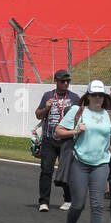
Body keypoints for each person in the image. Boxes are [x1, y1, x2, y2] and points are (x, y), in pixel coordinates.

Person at [55, 80, 111, 223]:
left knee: (97, 205)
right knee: (78, 204)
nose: (97, 98)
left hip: (101, 164)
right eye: (94, 95)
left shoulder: (110, 115)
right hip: (79, 162)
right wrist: (75, 131)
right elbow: (58, 131)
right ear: (88, 96)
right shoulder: (78, 111)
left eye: (101, 95)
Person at [36, 69, 80, 211]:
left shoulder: (74, 98)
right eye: (63, 81)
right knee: (46, 170)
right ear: (56, 81)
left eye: (68, 81)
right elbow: (38, 115)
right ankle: (44, 202)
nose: (66, 83)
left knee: (67, 170)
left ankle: (68, 199)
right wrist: (46, 108)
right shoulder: (47, 95)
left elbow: (80, 116)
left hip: (66, 139)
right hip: (49, 138)